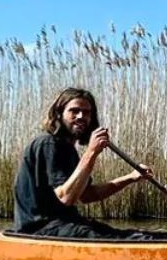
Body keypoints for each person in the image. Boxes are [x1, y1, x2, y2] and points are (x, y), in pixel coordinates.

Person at [13, 87, 154, 239]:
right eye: (74, 111)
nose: (81, 116)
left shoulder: (68, 149)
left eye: (86, 113)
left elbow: (87, 195)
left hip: (65, 225)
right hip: (40, 229)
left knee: (134, 235)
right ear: (59, 114)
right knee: (130, 239)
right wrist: (91, 152)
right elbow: (66, 197)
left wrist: (131, 178)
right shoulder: (48, 144)